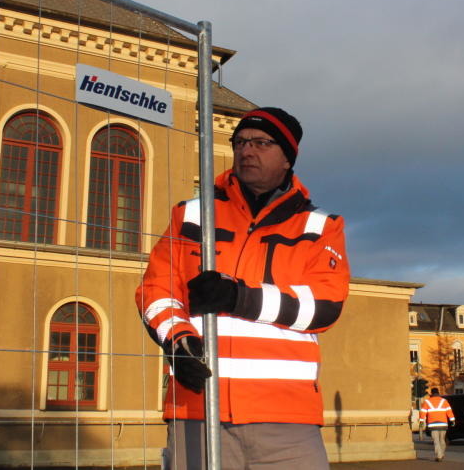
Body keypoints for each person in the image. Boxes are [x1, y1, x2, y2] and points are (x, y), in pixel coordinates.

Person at [135, 107, 350, 469]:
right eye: (240, 142)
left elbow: (324, 305)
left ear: (287, 157)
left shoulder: (320, 226)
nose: (247, 151)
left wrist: (240, 297)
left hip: (286, 416)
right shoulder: (190, 215)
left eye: (262, 143)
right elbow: (156, 289)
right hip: (197, 405)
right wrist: (178, 339)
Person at [420, 388, 455, 462]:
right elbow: (449, 411)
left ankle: (439, 455)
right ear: (438, 393)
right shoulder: (444, 401)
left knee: (436, 441)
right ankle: (441, 453)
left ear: (431, 393)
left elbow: (423, 413)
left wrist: (421, 422)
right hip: (443, 424)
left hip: (433, 424)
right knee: (442, 440)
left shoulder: (427, 402)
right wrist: (452, 420)